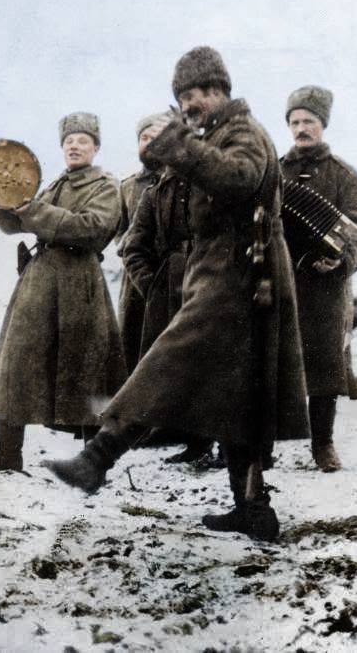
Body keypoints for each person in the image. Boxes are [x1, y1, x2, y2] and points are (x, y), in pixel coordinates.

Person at [44, 48, 308, 541]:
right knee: (239, 394)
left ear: (219, 91)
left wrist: (179, 143)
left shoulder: (243, 132)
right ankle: (253, 509)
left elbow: (238, 178)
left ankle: (97, 458)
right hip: (225, 273)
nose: (189, 104)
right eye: (182, 97)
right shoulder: (216, 135)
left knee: (166, 361)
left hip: (241, 274)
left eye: (196, 94)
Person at [0, 112, 126, 472]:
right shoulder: (54, 183)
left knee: (87, 367)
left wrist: (34, 209)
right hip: (39, 280)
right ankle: (8, 452)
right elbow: (16, 224)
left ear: (96, 147)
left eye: (82, 140)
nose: (74, 145)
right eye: (69, 141)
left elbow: (93, 227)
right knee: (17, 361)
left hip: (79, 283)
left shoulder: (106, 185)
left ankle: (92, 460)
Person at [281, 86, 357, 472]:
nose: (301, 128)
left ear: (323, 125)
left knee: (324, 363)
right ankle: (265, 445)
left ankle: (323, 444)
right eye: (295, 121)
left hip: (325, 285)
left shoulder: (343, 175)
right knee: (275, 360)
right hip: (282, 277)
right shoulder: (275, 171)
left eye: (309, 122)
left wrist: (339, 260)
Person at [120, 122, 214, 465]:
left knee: (208, 363)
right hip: (167, 286)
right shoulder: (153, 194)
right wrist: (151, 285)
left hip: (207, 279)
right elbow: (132, 247)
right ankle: (182, 435)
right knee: (167, 363)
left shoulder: (209, 188)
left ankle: (206, 441)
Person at [115, 114, 164, 373]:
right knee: (131, 345)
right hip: (133, 280)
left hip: (168, 276)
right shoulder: (127, 187)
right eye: (144, 138)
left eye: (155, 138)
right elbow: (119, 230)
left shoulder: (178, 184)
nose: (149, 143)